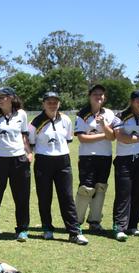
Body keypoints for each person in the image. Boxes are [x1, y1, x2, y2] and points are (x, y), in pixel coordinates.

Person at [28, 92, 89, 245]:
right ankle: (47, 228)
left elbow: (68, 139)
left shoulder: (66, 119)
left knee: (67, 198)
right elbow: (31, 143)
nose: (52, 104)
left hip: (63, 161)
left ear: (59, 104)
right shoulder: (36, 122)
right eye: (49, 101)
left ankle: (74, 232)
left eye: (55, 102)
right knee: (44, 197)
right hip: (43, 161)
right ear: (43, 104)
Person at [0, 87, 33, 242]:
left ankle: (22, 229)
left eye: (2, 97)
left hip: (19, 160)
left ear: (11, 98)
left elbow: (24, 136)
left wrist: (29, 152)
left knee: (22, 196)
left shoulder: (22, 114)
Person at [112, 89, 139, 242]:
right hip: (124, 159)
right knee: (123, 194)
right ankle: (119, 227)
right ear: (132, 101)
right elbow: (121, 137)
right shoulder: (120, 116)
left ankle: (133, 225)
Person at [74, 84, 116, 232]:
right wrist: (105, 135)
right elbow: (83, 138)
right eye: (95, 94)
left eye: (101, 94)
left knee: (100, 188)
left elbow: (112, 137)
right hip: (87, 157)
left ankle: (95, 221)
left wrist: (104, 125)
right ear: (89, 96)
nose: (99, 97)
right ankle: (76, 222)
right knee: (86, 189)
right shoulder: (82, 114)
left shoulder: (110, 114)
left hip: (105, 156)